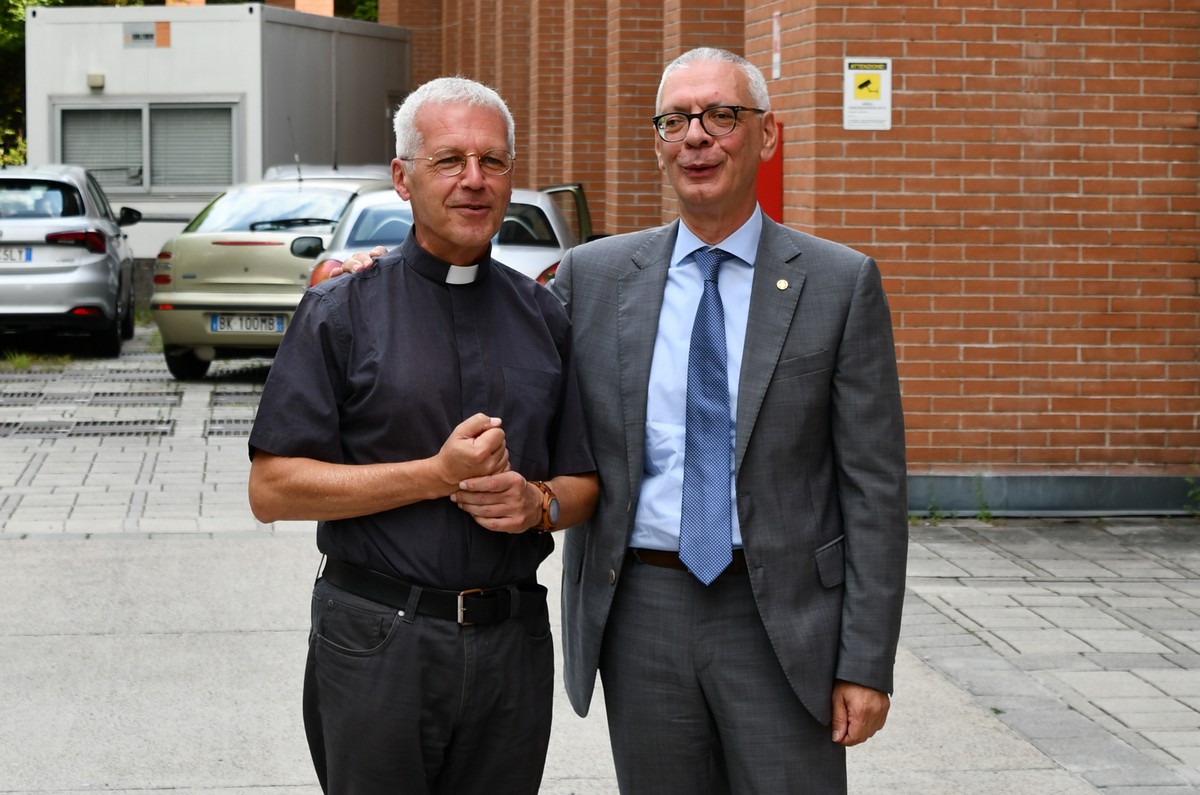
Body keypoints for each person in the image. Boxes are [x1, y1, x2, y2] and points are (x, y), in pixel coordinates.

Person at [342, 47, 907, 794]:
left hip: (783, 618)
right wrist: (389, 290)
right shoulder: (595, 277)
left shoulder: (839, 283)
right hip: (642, 611)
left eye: (721, 116)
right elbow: (507, 362)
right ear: (659, 142)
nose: (696, 137)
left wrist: (865, 660)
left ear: (768, 135)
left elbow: (874, 489)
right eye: (675, 120)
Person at [247, 76, 598, 795]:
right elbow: (272, 488)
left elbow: (585, 483)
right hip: (378, 639)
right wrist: (435, 475)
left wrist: (538, 504)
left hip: (511, 645)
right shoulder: (341, 311)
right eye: (449, 160)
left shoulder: (543, 318)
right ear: (403, 179)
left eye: (492, 161)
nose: (474, 179)